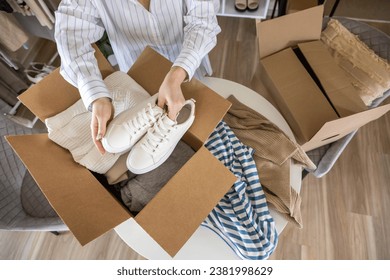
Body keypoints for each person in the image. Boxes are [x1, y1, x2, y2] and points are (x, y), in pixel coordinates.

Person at [54, 0, 221, 154]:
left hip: (188, 64)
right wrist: (96, 95)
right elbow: (70, 34)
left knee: (206, 129)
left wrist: (177, 74)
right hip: (136, 74)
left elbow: (203, 22)